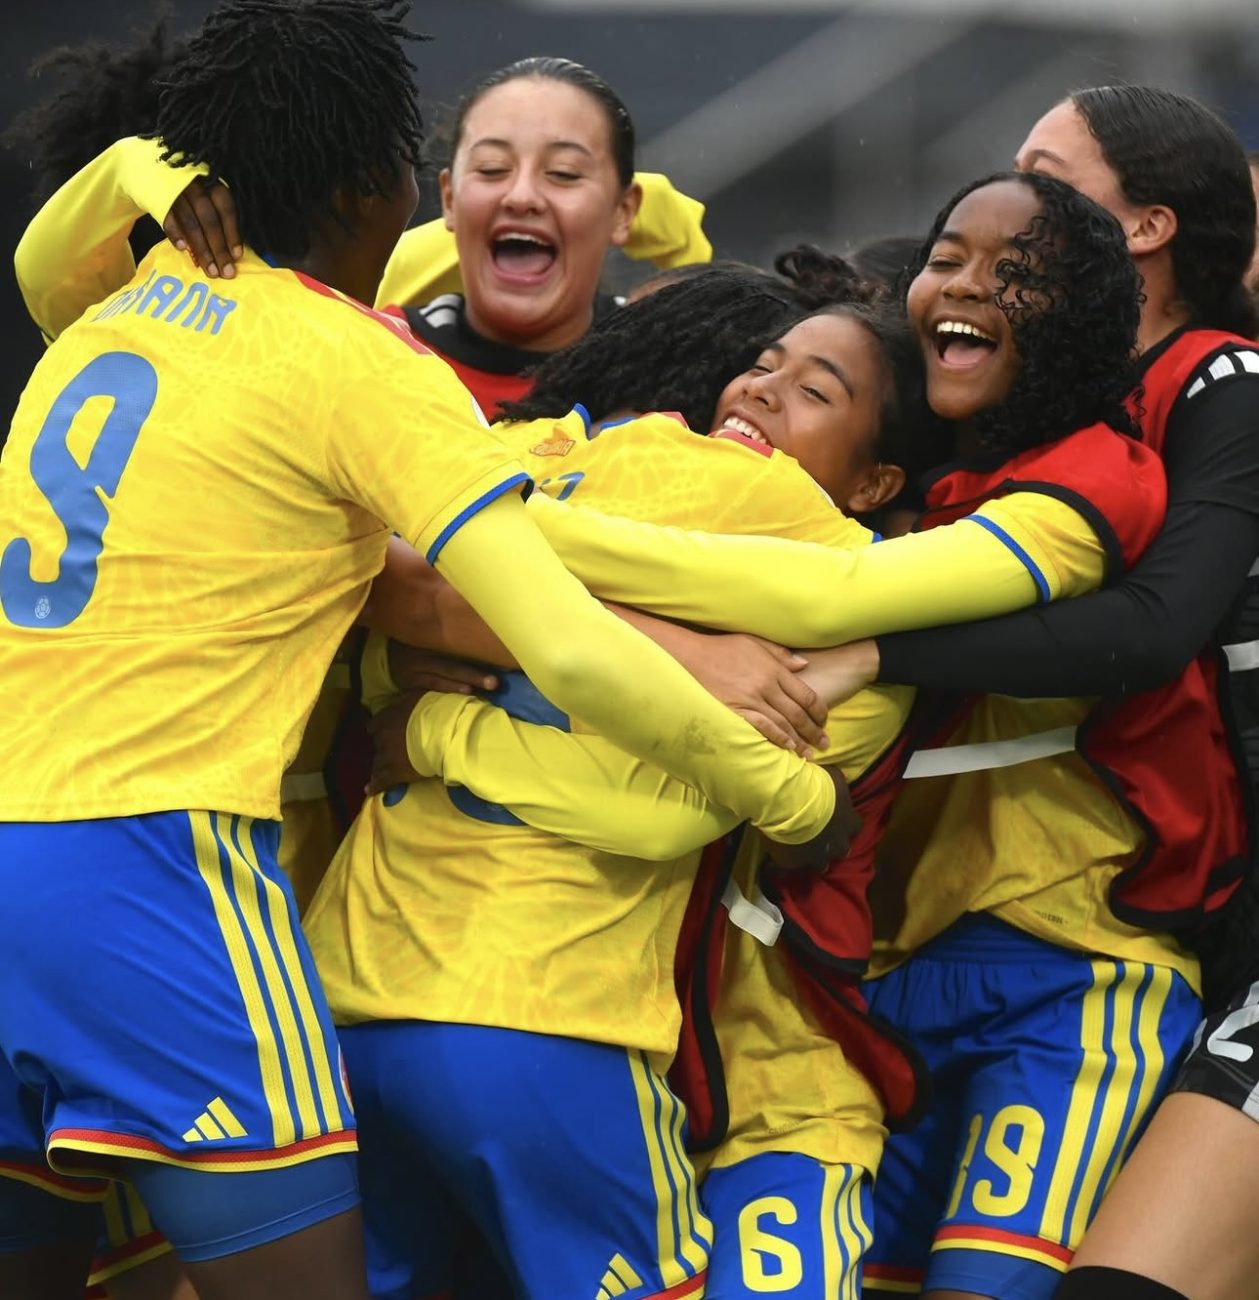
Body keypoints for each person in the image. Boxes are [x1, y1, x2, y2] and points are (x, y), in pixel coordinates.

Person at [0, 5, 846, 1299]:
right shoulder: (372, 364)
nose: (516, 193)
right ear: (405, 190)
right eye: (466, 161)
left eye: (568, 173)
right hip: (179, 882)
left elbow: (46, 257)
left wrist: (152, 171)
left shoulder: (112, 309)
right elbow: (521, 629)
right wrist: (781, 773)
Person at [342, 172, 1166, 1300]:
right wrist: (562, 607)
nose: (762, 389)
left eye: (814, 386)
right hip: (565, 1029)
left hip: (768, 1059)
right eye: (763, 363)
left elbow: (813, 614)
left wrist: (487, 600)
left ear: (879, 476)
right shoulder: (608, 456)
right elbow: (383, 593)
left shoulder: (871, 601)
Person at [793, 86, 1259, 1300]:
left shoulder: (1219, 382)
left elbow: (1155, 632)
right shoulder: (999, 392)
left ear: (1143, 229)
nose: (1006, 212)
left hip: (1111, 940)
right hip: (922, 946)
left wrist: (870, 646)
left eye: (1042, 179)